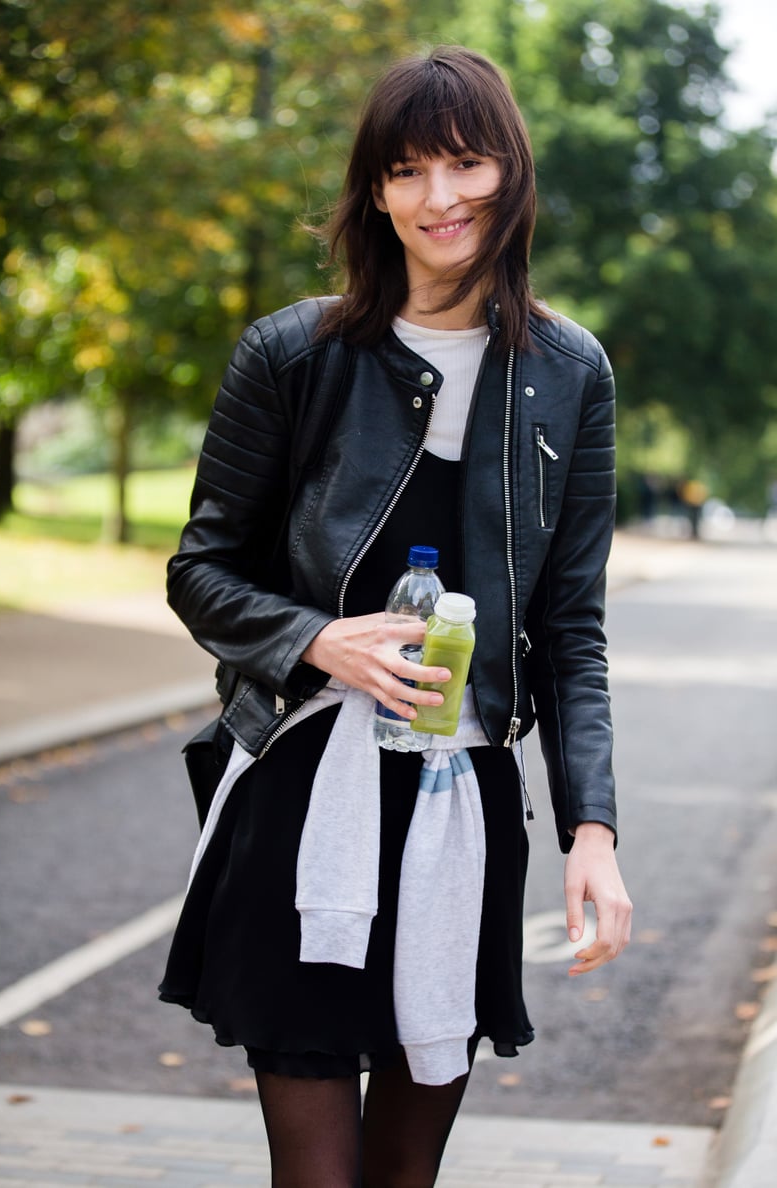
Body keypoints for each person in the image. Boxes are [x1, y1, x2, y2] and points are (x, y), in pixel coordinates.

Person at [159, 45, 632, 1188]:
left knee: (403, 1176)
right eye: (409, 170)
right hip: (302, 790)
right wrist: (316, 639)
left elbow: (571, 629)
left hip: (458, 808)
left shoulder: (569, 373)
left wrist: (593, 831)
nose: (440, 199)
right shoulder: (293, 354)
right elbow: (200, 569)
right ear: (374, 190)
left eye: (467, 163)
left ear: (510, 173)